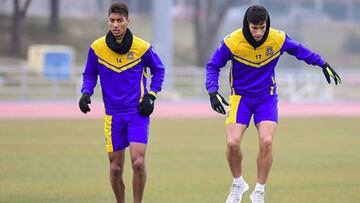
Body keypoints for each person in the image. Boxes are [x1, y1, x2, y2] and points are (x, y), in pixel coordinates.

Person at [205, 4, 341, 203]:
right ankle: (238, 183)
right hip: (240, 98)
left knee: (266, 141)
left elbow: (300, 51)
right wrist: (212, 91)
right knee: (232, 143)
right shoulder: (232, 42)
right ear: (247, 25)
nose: (259, 32)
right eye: (254, 28)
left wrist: (322, 63)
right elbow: (213, 65)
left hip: (266, 98)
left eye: (262, 27)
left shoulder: (277, 38)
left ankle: (259, 191)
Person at [78, 2, 165, 203]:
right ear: (108, 20)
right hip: (112, 116)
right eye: (112, 20)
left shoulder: (142, 47)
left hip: (137, 114)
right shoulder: (97, 48)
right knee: (116, 169)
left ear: (128, 21)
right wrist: (85, 93)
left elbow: (159, 70)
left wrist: (151, 95)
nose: (115, 24)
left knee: (138, 163)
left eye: (120, 20)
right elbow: (89, 74)